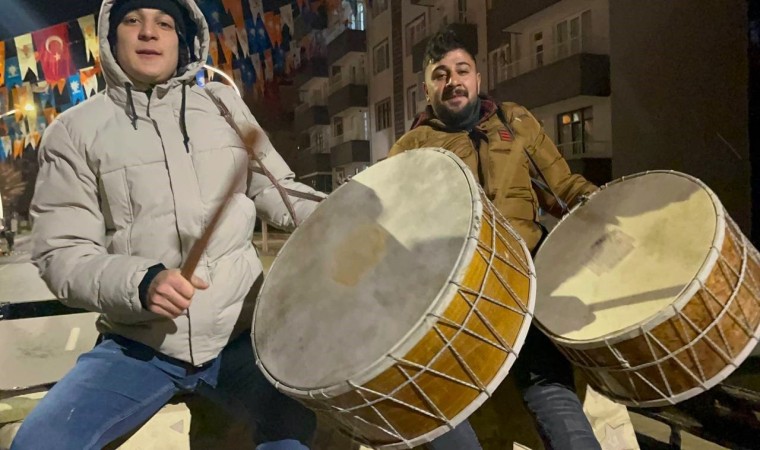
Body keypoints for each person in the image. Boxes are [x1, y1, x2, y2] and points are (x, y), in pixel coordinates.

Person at [11, 1, 326, 449]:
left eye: (164, 23)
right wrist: (141, 282)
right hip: (140, 345)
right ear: (111, 37)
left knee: (296, 438)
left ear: (184, 40)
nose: (149, 32)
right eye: (132, 21)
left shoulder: (221, 106)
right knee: (40, 443)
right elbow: (61, 253)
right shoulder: (74, 131)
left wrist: (344, 213)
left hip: (242, 338)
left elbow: (279, 190)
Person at [388, 27, 604, 450]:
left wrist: (605, 207)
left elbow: (564, 188)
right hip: (459, 295)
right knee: (440, 401)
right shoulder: (411, 147)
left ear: (477, 78)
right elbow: (395, 229)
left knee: (550, 389)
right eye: (440, 74)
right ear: (427, 89)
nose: (453, 81)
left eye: (461, 70)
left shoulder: (515, 120)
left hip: (527, 278)